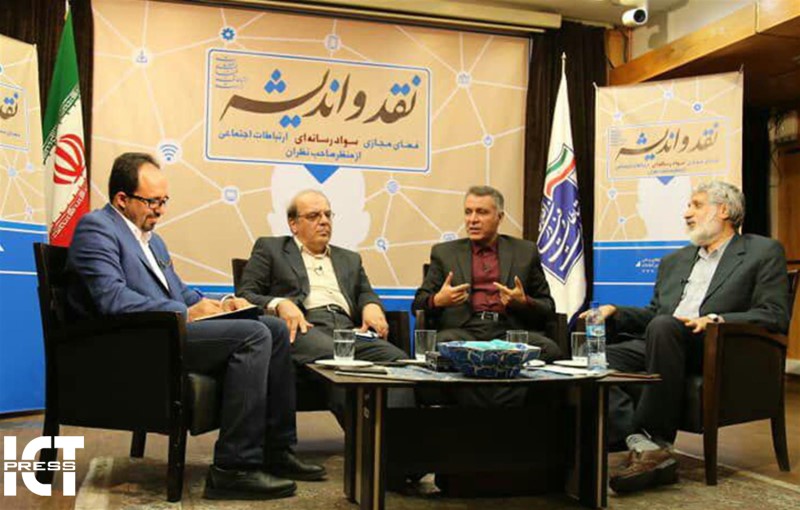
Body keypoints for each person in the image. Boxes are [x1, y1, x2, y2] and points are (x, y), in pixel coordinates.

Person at [66, 153, 325, 501]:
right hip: (139, 341)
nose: (160, 210)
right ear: (122, 199)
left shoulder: (152, 240)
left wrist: (222, 303)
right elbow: (112, 299)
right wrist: (187, 312)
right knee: (253, 335)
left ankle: (277, 450)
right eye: (152, 202)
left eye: (164, 201)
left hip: (167, 329)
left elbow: (181, 292)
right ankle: (234, 469)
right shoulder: (97, 228)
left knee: (274, 329)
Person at [589, 181, 790, 493]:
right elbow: (655, 313)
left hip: (717, 346)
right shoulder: (675, 261)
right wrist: (616, 311)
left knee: (664, 327)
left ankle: (656, 439)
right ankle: (641, 442)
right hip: (665, 339)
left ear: (724, 210)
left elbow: (774, 313)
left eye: (696, 205)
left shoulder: (762, 252)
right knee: (593, 358)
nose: (686, 213)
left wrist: (715, 320)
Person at [237, 189, 407, 365]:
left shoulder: (349, 259)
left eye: (327, 215)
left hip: (348, 330)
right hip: (305, 325)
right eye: (314, 216)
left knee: (400, 361)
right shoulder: (271, 249)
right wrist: (280, 303)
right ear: (293, 224)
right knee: (334, 355)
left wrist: (371, 305)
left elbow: (365, 292)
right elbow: (245, 294)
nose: (324, 221)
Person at [412, 185, 562, 362]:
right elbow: (417, 305)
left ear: (500, 217)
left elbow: (548, 307)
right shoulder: (445, 253)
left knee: (550, 350)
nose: (472, 220)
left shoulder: (525, 252)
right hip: (463, 332)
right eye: (468, 212)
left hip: (508, 333)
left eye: (482, 212)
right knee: (439, 347)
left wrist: (524, 302)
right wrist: (438, 300)